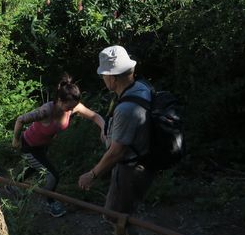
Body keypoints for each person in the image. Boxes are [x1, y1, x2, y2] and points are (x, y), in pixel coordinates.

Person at [13, 74, 105, 217]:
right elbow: (20, 120)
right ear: (60, 101)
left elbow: (95, 116)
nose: (72, 111)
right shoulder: (45, 111)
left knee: (34, 167)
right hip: (28, 146)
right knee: (52, 175)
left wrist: (103, 128)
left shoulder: (71, 106)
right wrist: (16, 140)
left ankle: (12, 185)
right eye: (69, 108)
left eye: (73, 107)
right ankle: (49, 203)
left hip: (42, 146)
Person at [78, 45, 154, 216]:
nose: (103, 79)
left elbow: (116, 152)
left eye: (103, 75)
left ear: (112, 78)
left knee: (116, 216)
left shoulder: (127, 109)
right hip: (142, 161)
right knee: (127, 212)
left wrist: (92, 175)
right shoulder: (141, 88)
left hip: (130, 169)